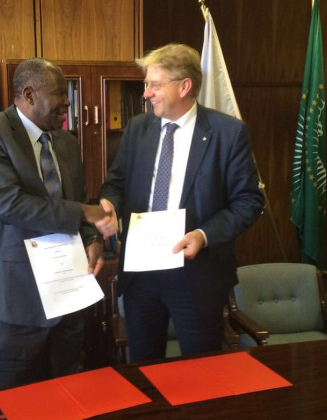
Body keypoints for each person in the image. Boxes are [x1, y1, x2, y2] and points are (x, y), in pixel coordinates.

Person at [99, 43, 264, 362]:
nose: (146, 93)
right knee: (144, 371)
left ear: (184, 86)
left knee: (200, 376)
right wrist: (109, 203)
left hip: (197, 276)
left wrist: (204, 235)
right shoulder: (137, 129)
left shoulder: (227, 133)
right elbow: (115, 184)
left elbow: (249, 201)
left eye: (155, 84)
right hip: (142, 275)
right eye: (147, 84)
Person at [0, 57, 114, 389]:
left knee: (66, 396)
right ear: (30, 95)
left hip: (67, 296)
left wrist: (93, 239)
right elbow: (6, 204)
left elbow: (81, 197)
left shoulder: (66, 140)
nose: (68, 102)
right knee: (18, 403)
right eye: (60, 94)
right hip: (14, 302)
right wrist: (82, 213)